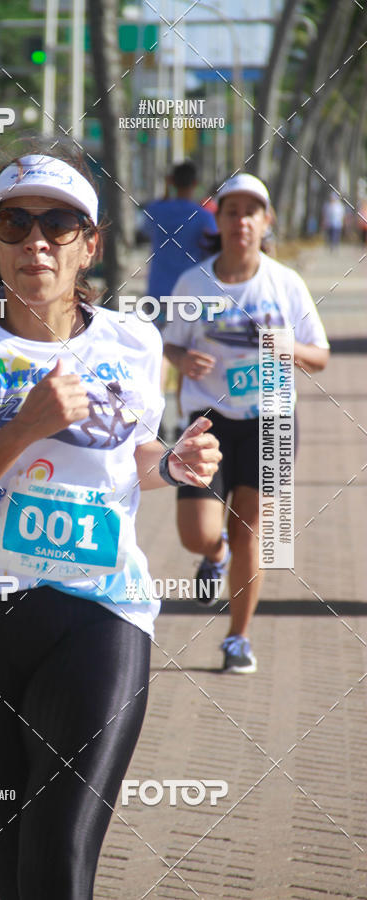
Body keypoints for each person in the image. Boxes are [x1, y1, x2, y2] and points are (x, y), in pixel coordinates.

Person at [0, 153, 221, 899]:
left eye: (59, 223)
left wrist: (172, 464)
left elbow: (127, 455)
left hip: (102, 610)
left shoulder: (134, 345)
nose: (36, 241)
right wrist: (21, 429)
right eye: (15, 222)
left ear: (90, 244)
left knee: (59, 860)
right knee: (14, 878)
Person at [163, 172, 329, 674]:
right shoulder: (194, 282)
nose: (241, 221)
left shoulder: (286, 283)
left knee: (249, 531)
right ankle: (211, 556)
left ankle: (238, 638)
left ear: (265, 221)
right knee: (197, 533)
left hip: (272, 419)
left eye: (251, 212)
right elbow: (168, 341)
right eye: (232, 211)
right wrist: (182, 358)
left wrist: (287, 348)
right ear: (220, 219)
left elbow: (318, 356)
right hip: (208, 420)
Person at [144, 160, 217, 307]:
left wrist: (166, 190)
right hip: (190, 292)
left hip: (158, 290)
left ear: (171, 182)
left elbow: (146, 230)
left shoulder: (155, 211)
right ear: (195, 183)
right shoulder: (203, 216)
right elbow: (213, 248)